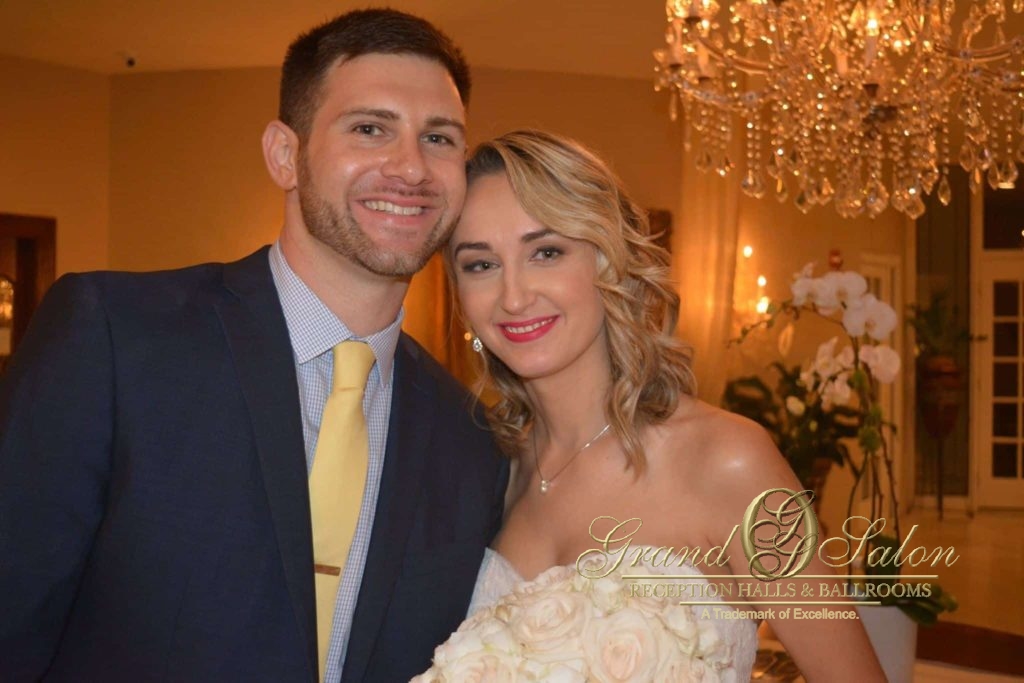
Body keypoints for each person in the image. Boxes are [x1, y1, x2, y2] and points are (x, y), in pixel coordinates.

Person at [0, 9, 507, 683]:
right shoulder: (116, 339)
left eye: (438, 138)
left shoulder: (470, 440)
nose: (411, 167)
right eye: (369, 128)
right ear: (284, 154)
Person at [440, 130, 885, 680]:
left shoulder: (730, 461)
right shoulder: (495, 471)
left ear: (609, 262)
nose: (513, 296)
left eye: (546, 252)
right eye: (480, 265)